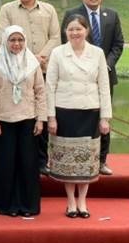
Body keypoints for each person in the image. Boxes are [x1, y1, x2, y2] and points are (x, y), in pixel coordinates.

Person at [47, 14, 112, 218]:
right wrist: (51, 116)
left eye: (79, 29)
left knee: (86, 161)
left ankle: (83, 202)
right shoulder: (58, 53)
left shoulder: (97, 53)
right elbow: (50, 86)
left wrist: (105, 117)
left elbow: (103, 86)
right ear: (65, 32)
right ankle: (71, 202)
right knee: (68, 160)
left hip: (90, 111)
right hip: (65, 112)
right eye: (71, 29)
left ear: (87, 31)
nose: (75, 33)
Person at [0, 0, 60, 174]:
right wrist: (28, 60)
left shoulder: (48, 10)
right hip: (15, 75)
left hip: (42, 71)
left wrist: (37, 58)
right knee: (19, 117)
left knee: (40, 114)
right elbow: (4, 37)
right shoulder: (7, 10)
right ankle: (19, 161)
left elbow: (55, 37)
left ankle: (42, 161)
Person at [62, 0, 124, 176]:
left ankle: (102, 160)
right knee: (81, 119)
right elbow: (66, 43)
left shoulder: (111, 16)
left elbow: (118, 44)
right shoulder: (72, 15)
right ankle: (77, 158)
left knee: (103, 118)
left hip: (105, 75)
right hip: (78, 78)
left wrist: (105, 65)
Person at [0, 25, 47, 217]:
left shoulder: (33, 64)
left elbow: (40, 92)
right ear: (6, 42)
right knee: (6, 163)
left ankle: (27, 205)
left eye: (20, 40)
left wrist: (41, 119)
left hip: (28, 119)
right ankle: (6, 205)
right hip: (4, 121)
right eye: (12, 40)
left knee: (28, 163)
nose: (16, 44)